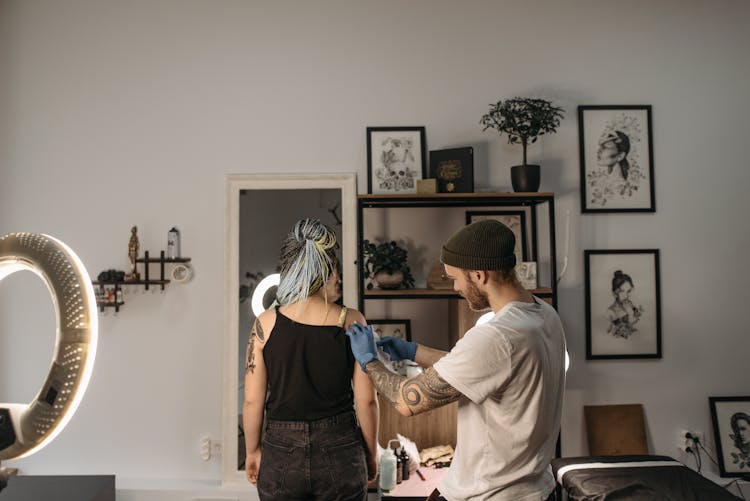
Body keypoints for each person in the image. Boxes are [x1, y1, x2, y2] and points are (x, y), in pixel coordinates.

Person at [347, 219, 567, 501]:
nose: (455, 288)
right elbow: (485, 368)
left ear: (479, 275)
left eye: (455, 278)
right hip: (534, 488)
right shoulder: (543, 315)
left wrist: (369, 361)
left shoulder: (497, 336)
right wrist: (413, 351)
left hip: (491, 494)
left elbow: (407, 400)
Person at [243, 218, 379, 500]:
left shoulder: (264, 324)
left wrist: (252, 451)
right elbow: (366, 399)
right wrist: (371, 453)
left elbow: (252, 401)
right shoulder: (351, 321)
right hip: (341, 446)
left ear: (289, 266)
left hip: (280, 450)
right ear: (329, 268)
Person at [606, 270, 644, 339]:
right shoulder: (610, 312)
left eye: (629, 291)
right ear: (614, 294)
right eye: (622, 291)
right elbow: (613, 334)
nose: (627, 296)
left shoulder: (630, 304)